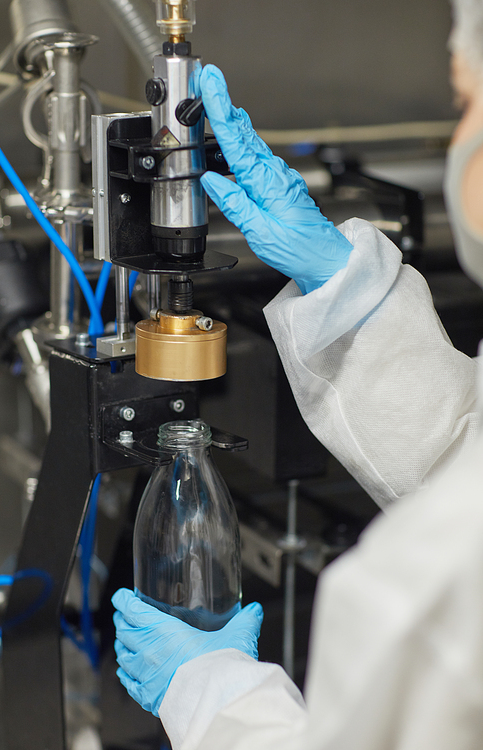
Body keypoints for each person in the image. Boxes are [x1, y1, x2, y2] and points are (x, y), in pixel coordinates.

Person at [112, 0, 483, 747]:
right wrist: (344, 287)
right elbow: (466, 464)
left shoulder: (428, 590)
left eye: (468, 99)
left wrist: (212, 695)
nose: (461, 134)